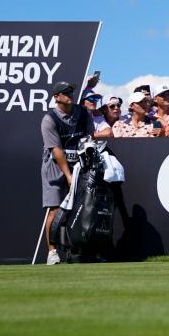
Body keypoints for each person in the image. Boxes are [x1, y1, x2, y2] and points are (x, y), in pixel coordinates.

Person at [40, 81, 95, 264]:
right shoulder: (49, 120)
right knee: (55, 210)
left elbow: (89, 137)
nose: (70, 94)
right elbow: (56, 152)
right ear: (57, 97)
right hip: (55, 166)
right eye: (65, 92)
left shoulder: (83, 113)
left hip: (79, 164)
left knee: (83, 208)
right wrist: (69, 176)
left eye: (71, 91)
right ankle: (52, 252)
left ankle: (80, 251)